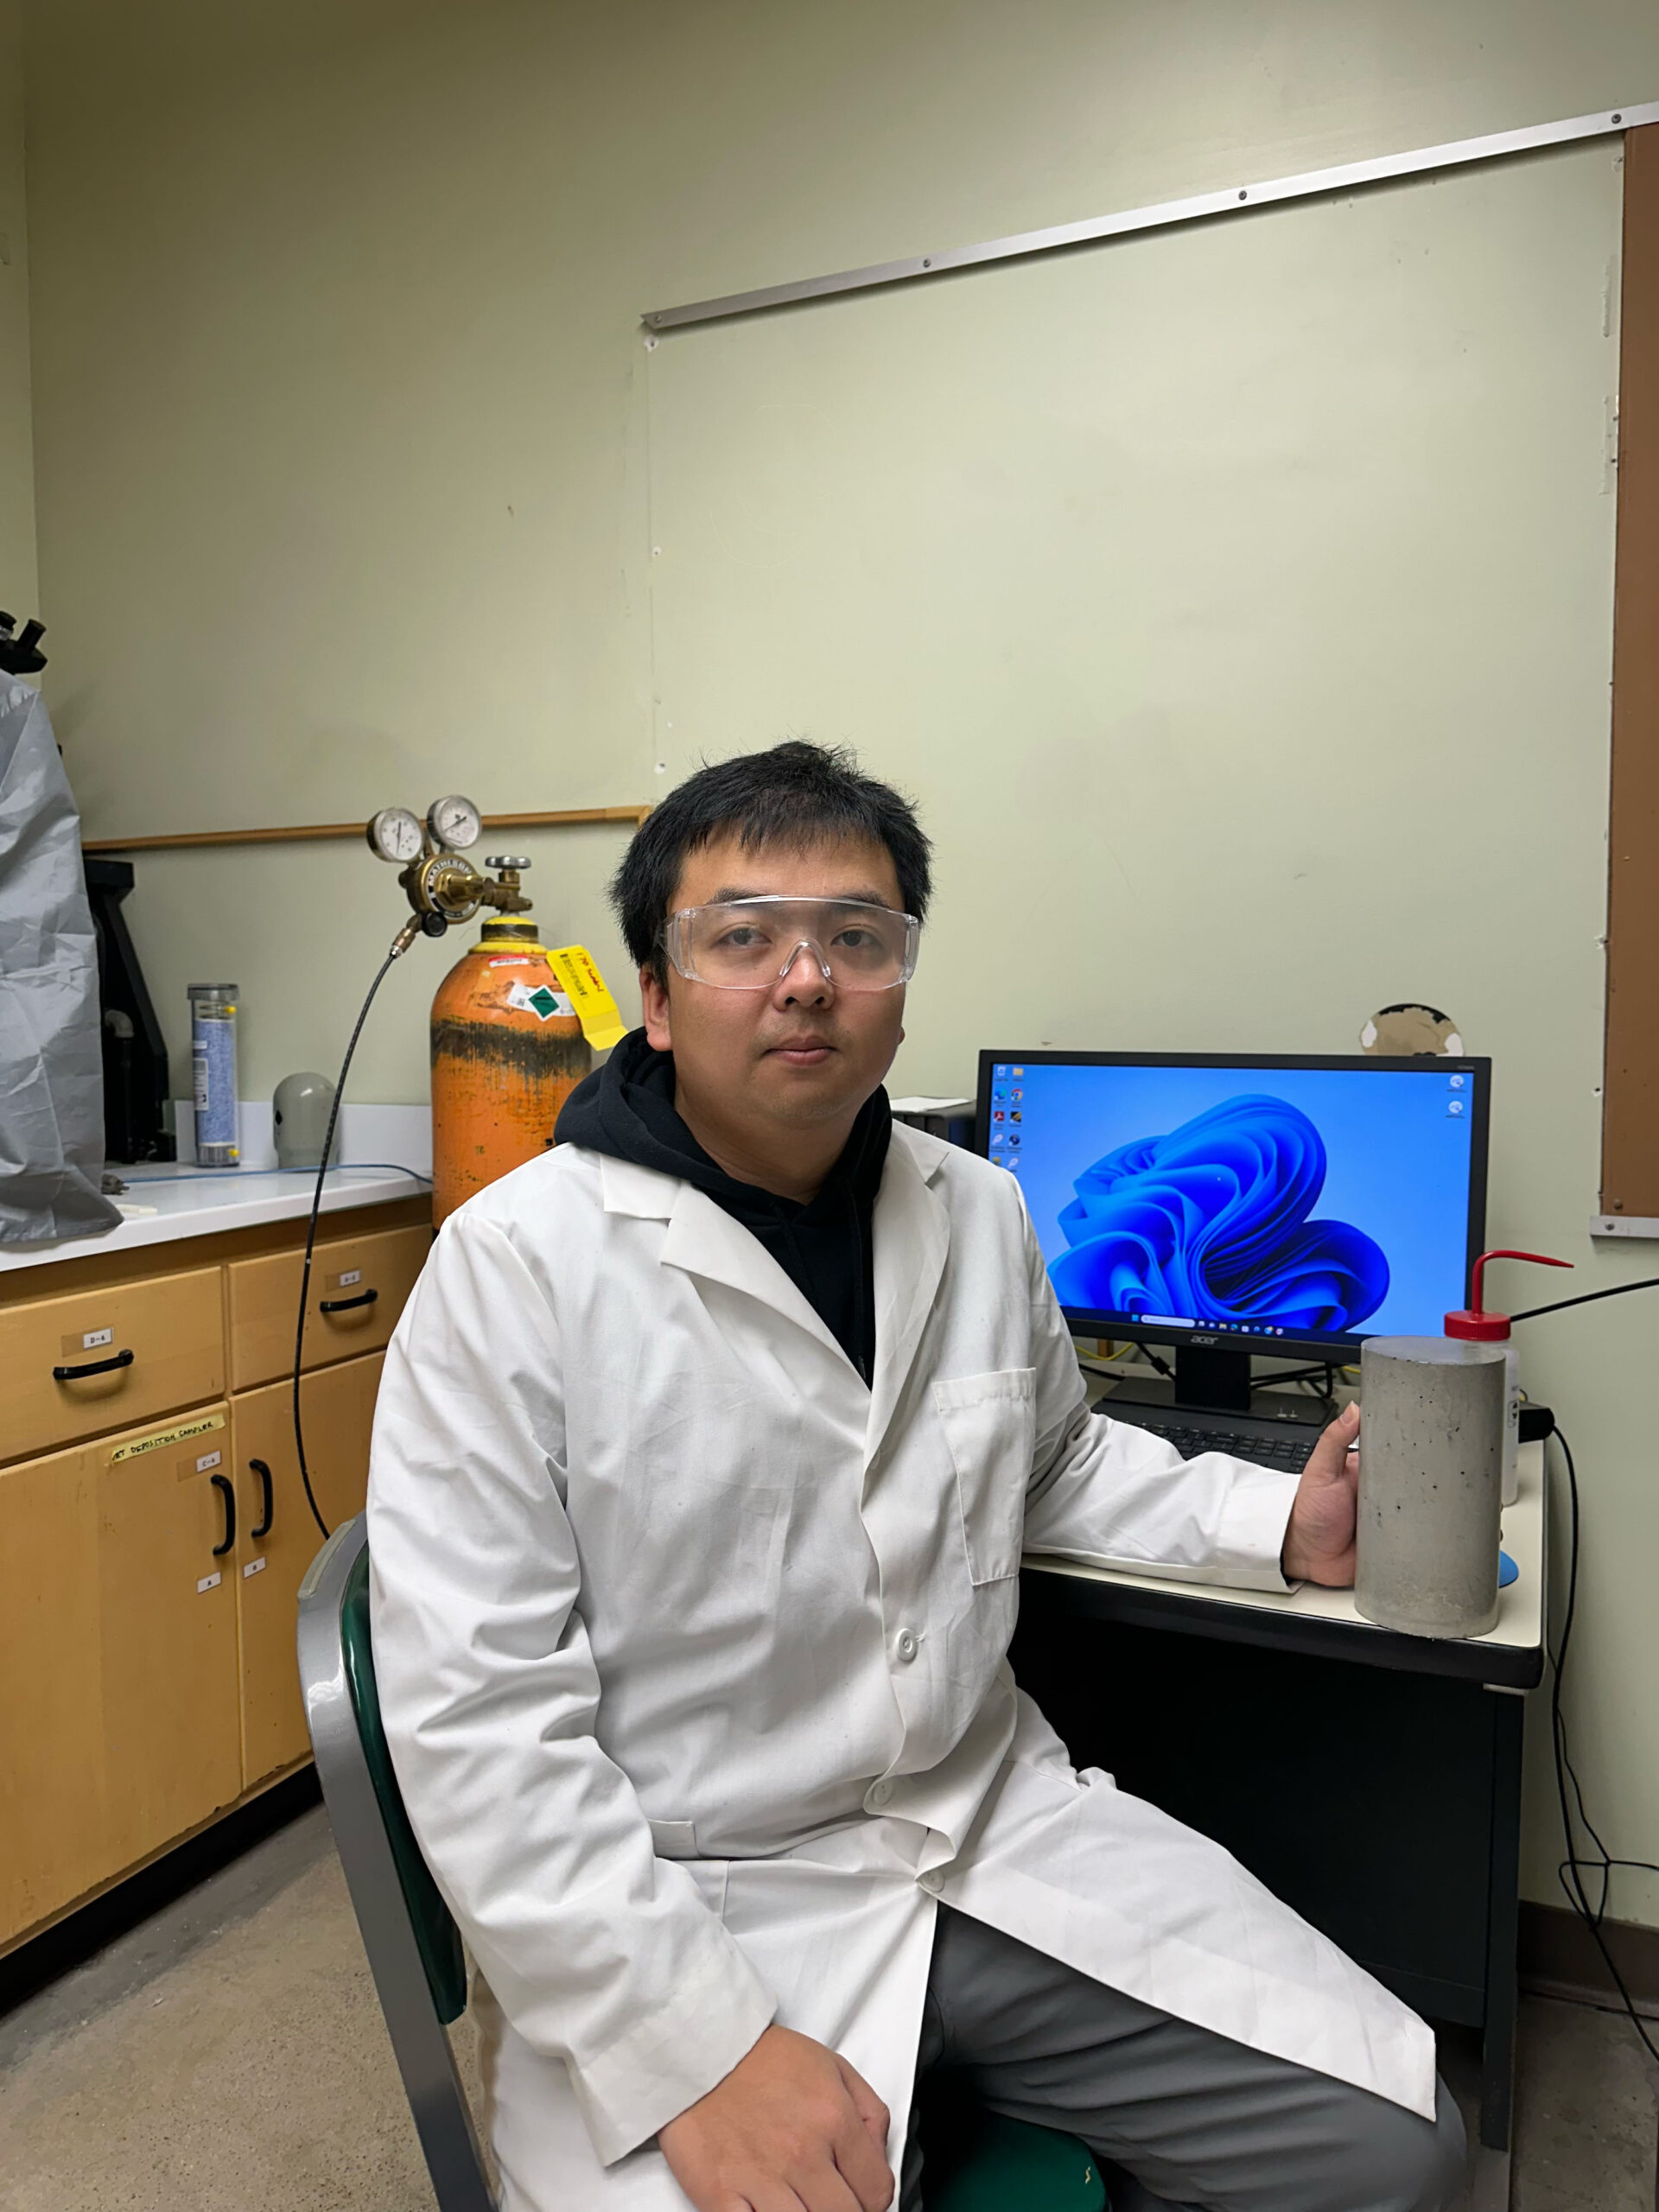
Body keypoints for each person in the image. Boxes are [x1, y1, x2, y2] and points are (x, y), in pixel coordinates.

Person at [367, 741, 1466, 2212]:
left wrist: (1280, 1520)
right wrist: (693, 2050)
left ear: (901, 973)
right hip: (695, 1905)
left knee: (1398, 2155)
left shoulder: (977, 1211)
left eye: (855, 937)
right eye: (743, 935)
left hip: (988, 1831)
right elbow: (484, 1728)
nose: (805, 976)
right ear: (656, 988)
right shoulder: (513, 1269)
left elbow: (1059, 1465)